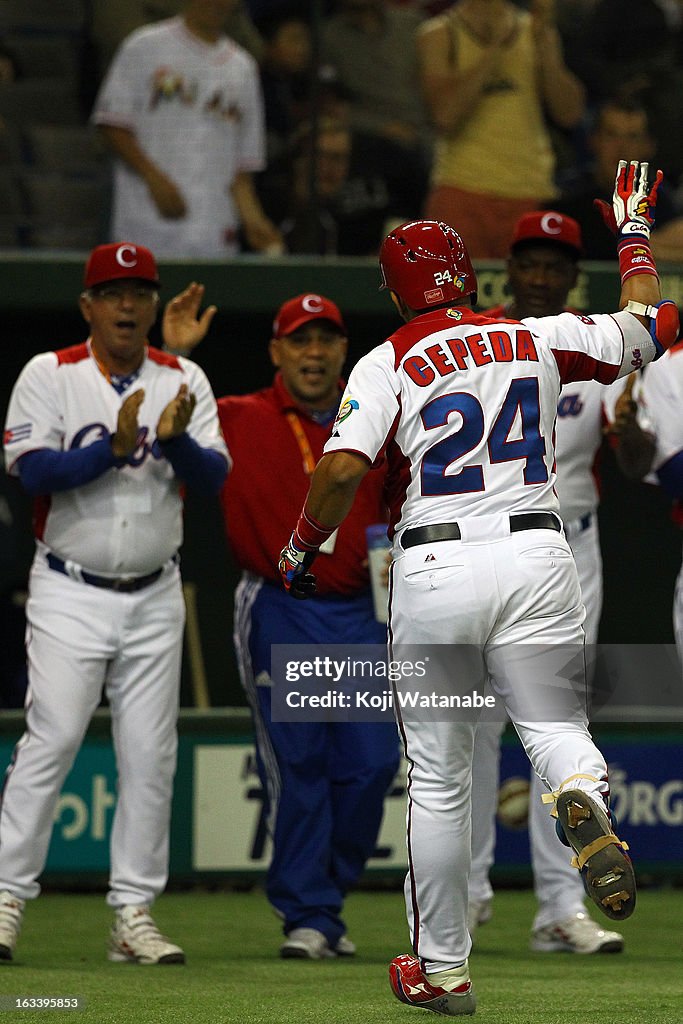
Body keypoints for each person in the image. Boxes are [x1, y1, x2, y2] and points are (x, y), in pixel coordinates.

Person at [278, 161, 678, 1013]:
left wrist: (301, 550)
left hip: (435, 565)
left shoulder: (388, 359)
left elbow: (342, 470)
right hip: (538, 552)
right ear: (468, 275)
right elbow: (655, 326)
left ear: (396, 293)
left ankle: (444, 969)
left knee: (438, 779)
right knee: (555, 728)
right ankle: (578, 796)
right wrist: (632, 229)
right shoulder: (532, 334)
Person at [0, 242, 229, 964]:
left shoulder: (182, 376)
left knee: (150, 754)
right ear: (87, 306)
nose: (128, 304)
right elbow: (32, 470)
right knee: (54, 738)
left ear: (154, 304)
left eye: (140, 291)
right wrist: (112, 448)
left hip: (154, 593)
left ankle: (133, 914)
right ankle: (5, 898)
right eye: (113, 292)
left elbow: (214, 476)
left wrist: (175, 441)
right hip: (70, 588)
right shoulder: (50, 371)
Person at [161, 288, 401, 959]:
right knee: (297, 765)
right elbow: (171, 434)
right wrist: (175, 357)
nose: (314, 352)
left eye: (325, 339)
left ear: (344, 350)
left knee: (373, 763)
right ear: (275, 351)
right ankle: (310, 914)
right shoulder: (237, 416)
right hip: (280, 606)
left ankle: (326, 894)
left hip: (361, 611)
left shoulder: (372, 415)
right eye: (299, 339)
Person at [469, 209, 655, 955]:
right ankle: (465, 896)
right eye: (529, 262)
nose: (540, 275)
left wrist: (630, 430)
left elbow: (637, 464)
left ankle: (558, 908)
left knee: (559, 729)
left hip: (570, 551)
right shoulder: (478, 341)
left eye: (555, 264)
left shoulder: (592, 342)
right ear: (507, 271)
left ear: (573, 276)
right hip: (483, 547)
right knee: (469, 722)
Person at [92, 0, 283, 257]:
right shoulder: (145, 45)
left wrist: (253, 220)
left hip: (214, 230)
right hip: (146, 222)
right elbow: (112, 123)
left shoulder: (243, 68)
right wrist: (153, 178)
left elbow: (242, 169)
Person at [416, 0, 585, 258]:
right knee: (454, 295)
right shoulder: (439, 33)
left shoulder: (535, 29)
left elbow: (570, 114)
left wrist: (547, 55)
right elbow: (445, 115)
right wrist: (494, 49)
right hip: (461, 189)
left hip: (528, 189)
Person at [553, 98, 683, 263]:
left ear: (648, 147)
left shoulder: (660, 198)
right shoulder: (568, 193)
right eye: (611, 135)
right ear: (593, 140)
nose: (621, 147)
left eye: (633, 137)